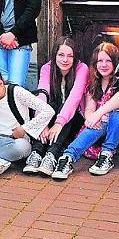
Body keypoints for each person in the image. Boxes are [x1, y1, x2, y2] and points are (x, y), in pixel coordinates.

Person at [51, 42, 119, 179]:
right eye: (100, 61)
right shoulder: (94, 83)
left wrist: (98, 114)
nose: (103, 65)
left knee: (116, 111)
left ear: (115, 62)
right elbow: (89, 108)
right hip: (98, 131)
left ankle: (106, 155)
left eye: (108, 61)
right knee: (99, 121)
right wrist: (90, 117)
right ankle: (67, 158)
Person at [27, 37, 90, 176]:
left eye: (70, 56)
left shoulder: (82, 68)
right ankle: (37, 153)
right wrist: (41, 123)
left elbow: (74, 99)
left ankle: (51, 155)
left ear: (75, 57)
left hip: (74, 120)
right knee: (51, 106)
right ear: (55, 54)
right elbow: (42, 95)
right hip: (53, 118)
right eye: (61, 55)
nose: (65, 60)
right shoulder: (47, 68)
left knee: (65, 108)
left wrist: (59, 123)